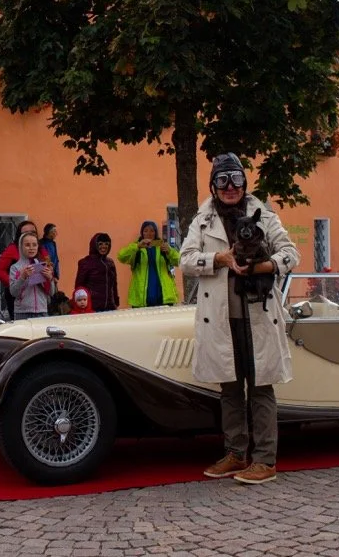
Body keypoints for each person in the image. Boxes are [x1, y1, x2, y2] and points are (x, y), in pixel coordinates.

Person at [179, 153, 299, 485]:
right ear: (213, 185)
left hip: (258, 315)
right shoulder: (202, 220)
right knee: (230, 387)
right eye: (222, 180)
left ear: (245, 182)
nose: (229, 187)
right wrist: (219, 258)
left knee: (261, 385)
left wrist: (263, 266)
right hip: (220, 317)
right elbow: (186, 259)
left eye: (235, 179)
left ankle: (265, 460)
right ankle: (235, 453)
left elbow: (290, 253)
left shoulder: (264, 215)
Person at [118, 221, 181, 307]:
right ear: (142, 233)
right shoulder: (136, 248)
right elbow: (121, 257)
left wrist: (170, 252)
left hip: (164, 298)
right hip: (141, 300)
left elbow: (180, 261)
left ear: (156, 233)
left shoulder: (163, 247)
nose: (149, 233)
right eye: (146, 231)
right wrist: (137, 246)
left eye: (152, 231)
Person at [0, 220, 39, 320]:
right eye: (25, 233)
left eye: (33, 232)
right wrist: (14, 283)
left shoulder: (40, 249)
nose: (29, 235)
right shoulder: (12, 249)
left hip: (39, 304)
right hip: (19, 299)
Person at [8, 231, 54, 319]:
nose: (31, 248)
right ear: (21, 247)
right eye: (27, 245)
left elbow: (52, 293)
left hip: (42, 311)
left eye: (34, 245)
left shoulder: (43, 265)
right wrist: (22, 277)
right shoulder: (15, 268)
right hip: (22, 313)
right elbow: (13, 292)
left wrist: (50, 278)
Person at [75, 233, 119, 313]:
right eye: (100, 244)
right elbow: (79, 287)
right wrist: (81, 306)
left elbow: (114, 285)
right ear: (94, 245)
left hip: (110, 307)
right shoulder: (86, 262)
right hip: (92, 308)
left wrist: (116, 302)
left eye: (106, 244)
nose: (104, 246)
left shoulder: (110, 263)